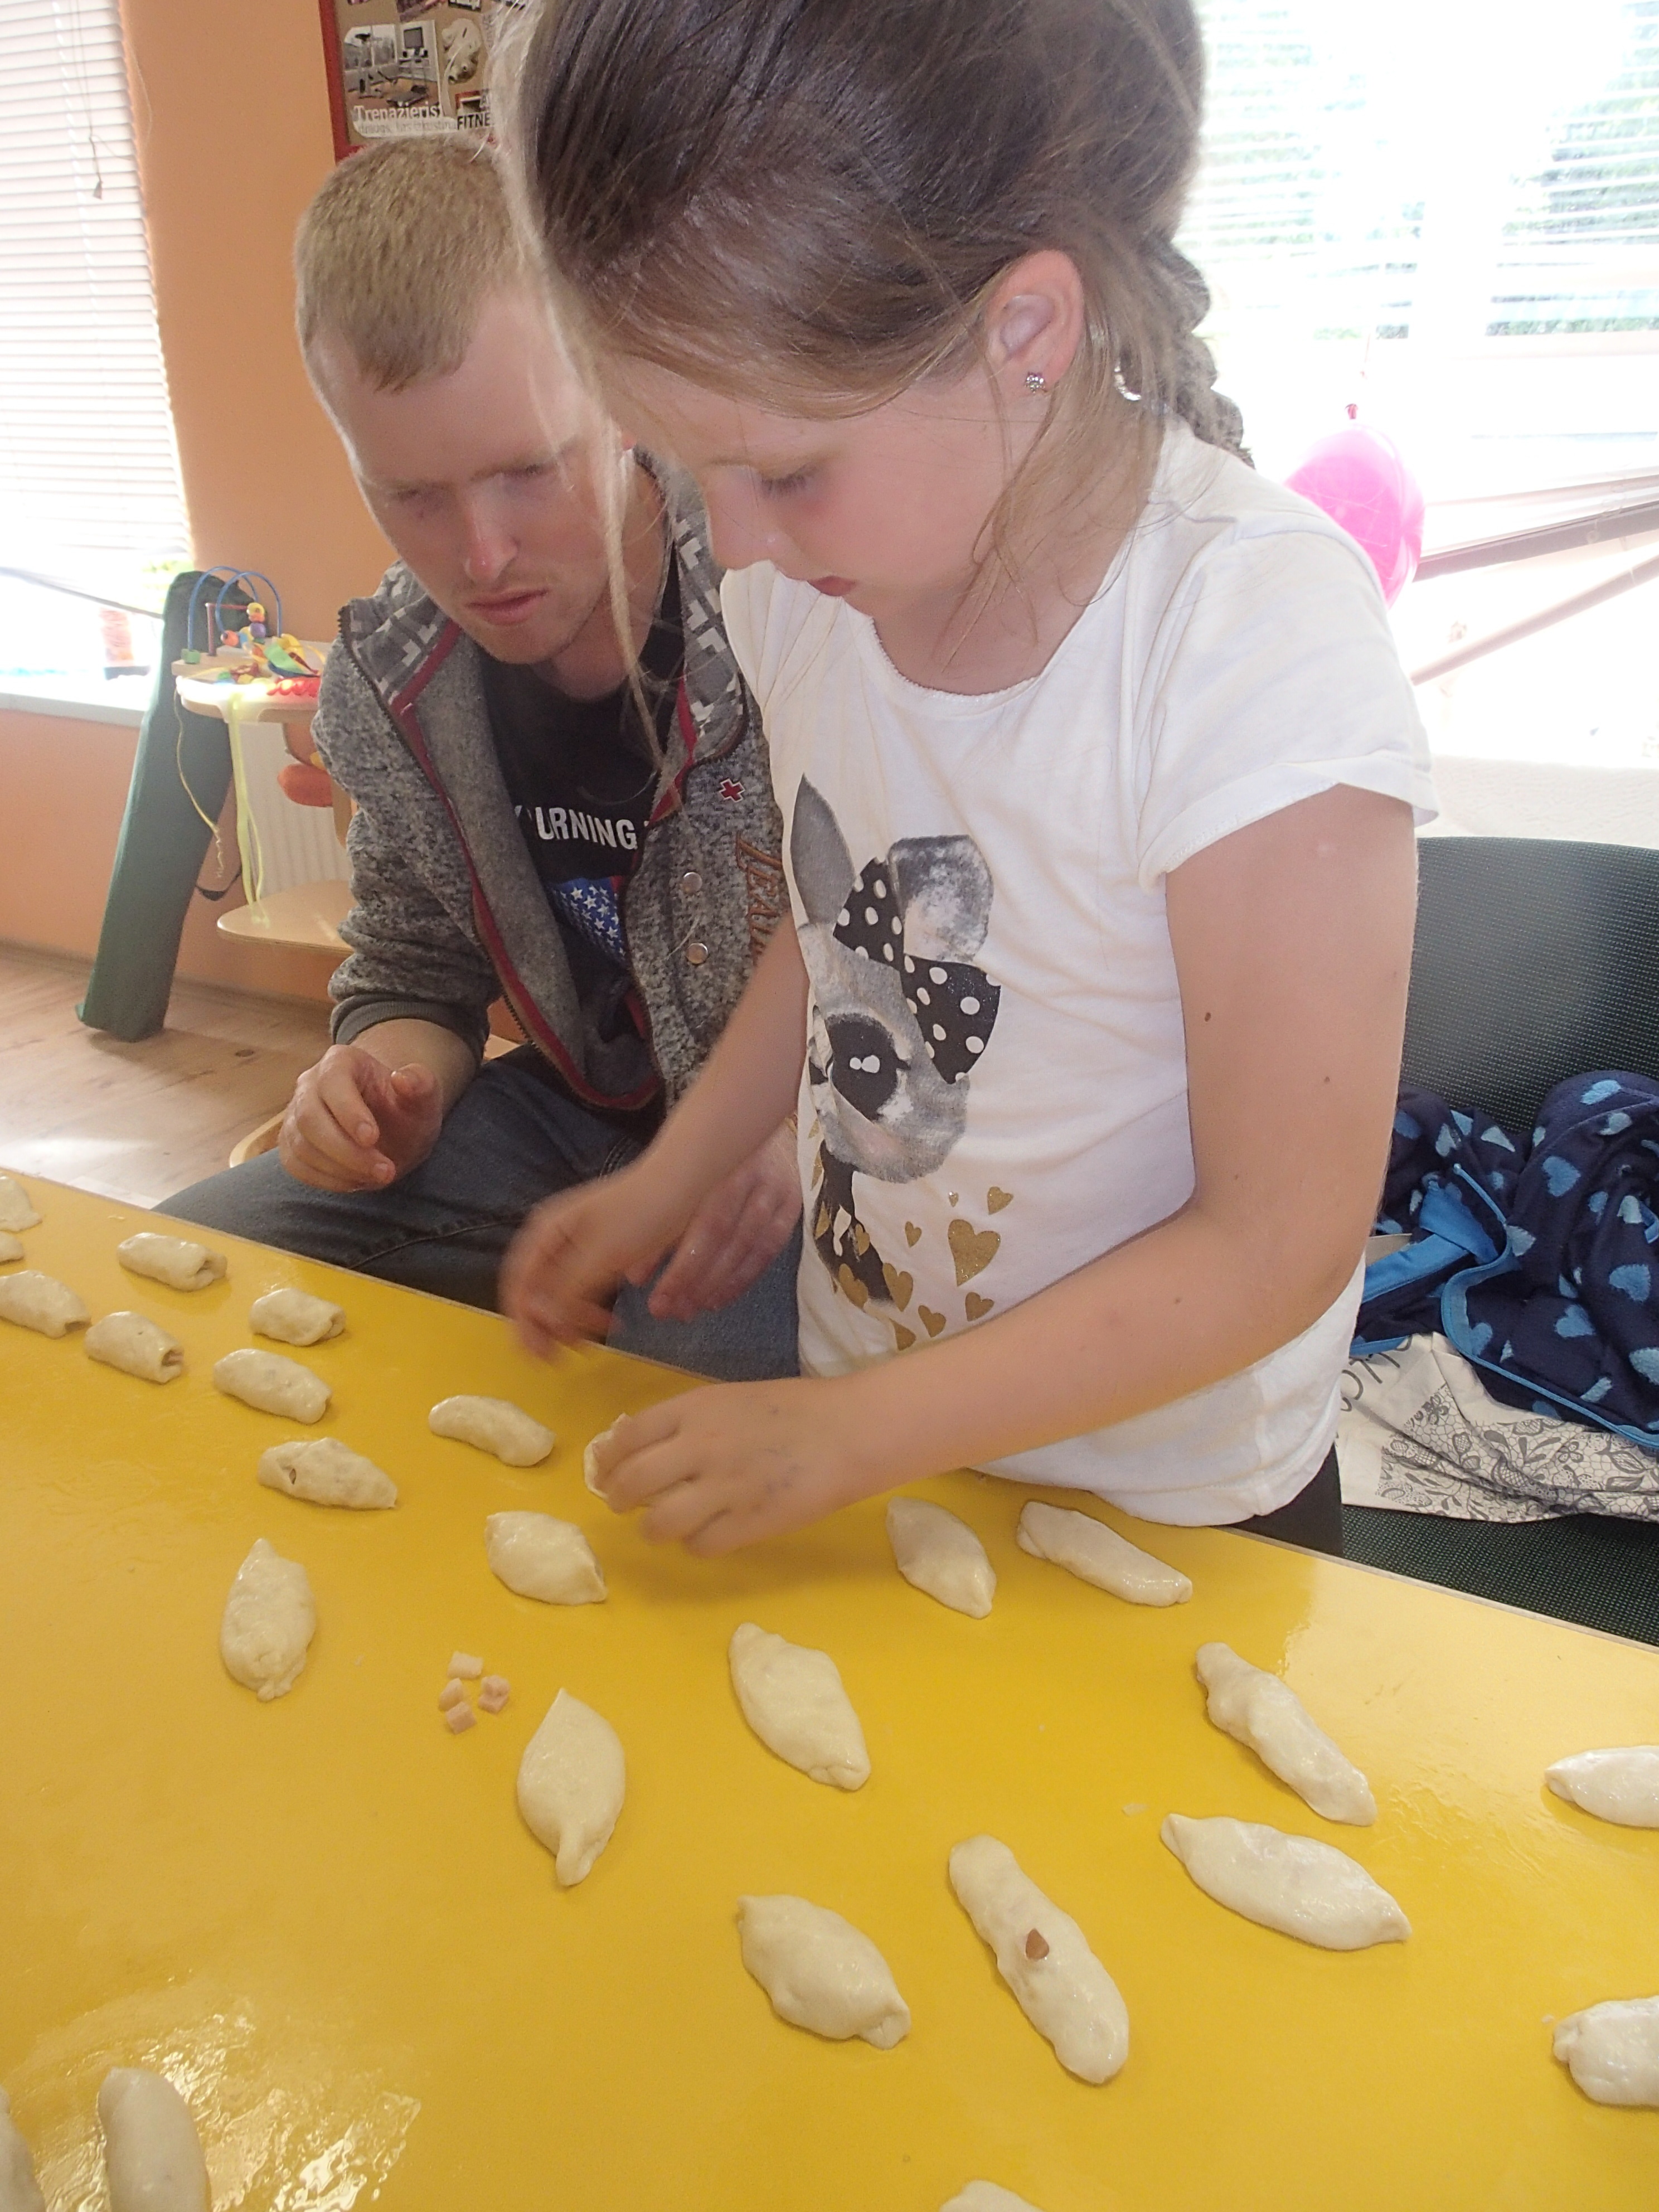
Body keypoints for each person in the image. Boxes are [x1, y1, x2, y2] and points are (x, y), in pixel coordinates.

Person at [497, 0, 1437, 1554]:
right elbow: (837, 932)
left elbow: (1280, 1239)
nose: (732, 541)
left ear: (1026, 334)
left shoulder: (1250, 643)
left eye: (785, 469)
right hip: (884, 1450)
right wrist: (677, 1172)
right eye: (682, 463)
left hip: (1173, 1512)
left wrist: (853, 1435)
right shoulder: (814, 590)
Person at [164, 137, 800, 1381]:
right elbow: (416, 972)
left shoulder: (789, 599)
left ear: (620, 388)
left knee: (670, 1378)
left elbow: (914, 960)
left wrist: (783, 1137)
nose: (482, 555)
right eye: (411, 496)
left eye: (527, 471)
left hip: (795, 1146)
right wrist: (379, 1086)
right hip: (567, 1130)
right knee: (194, 1267)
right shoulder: (390, 686)